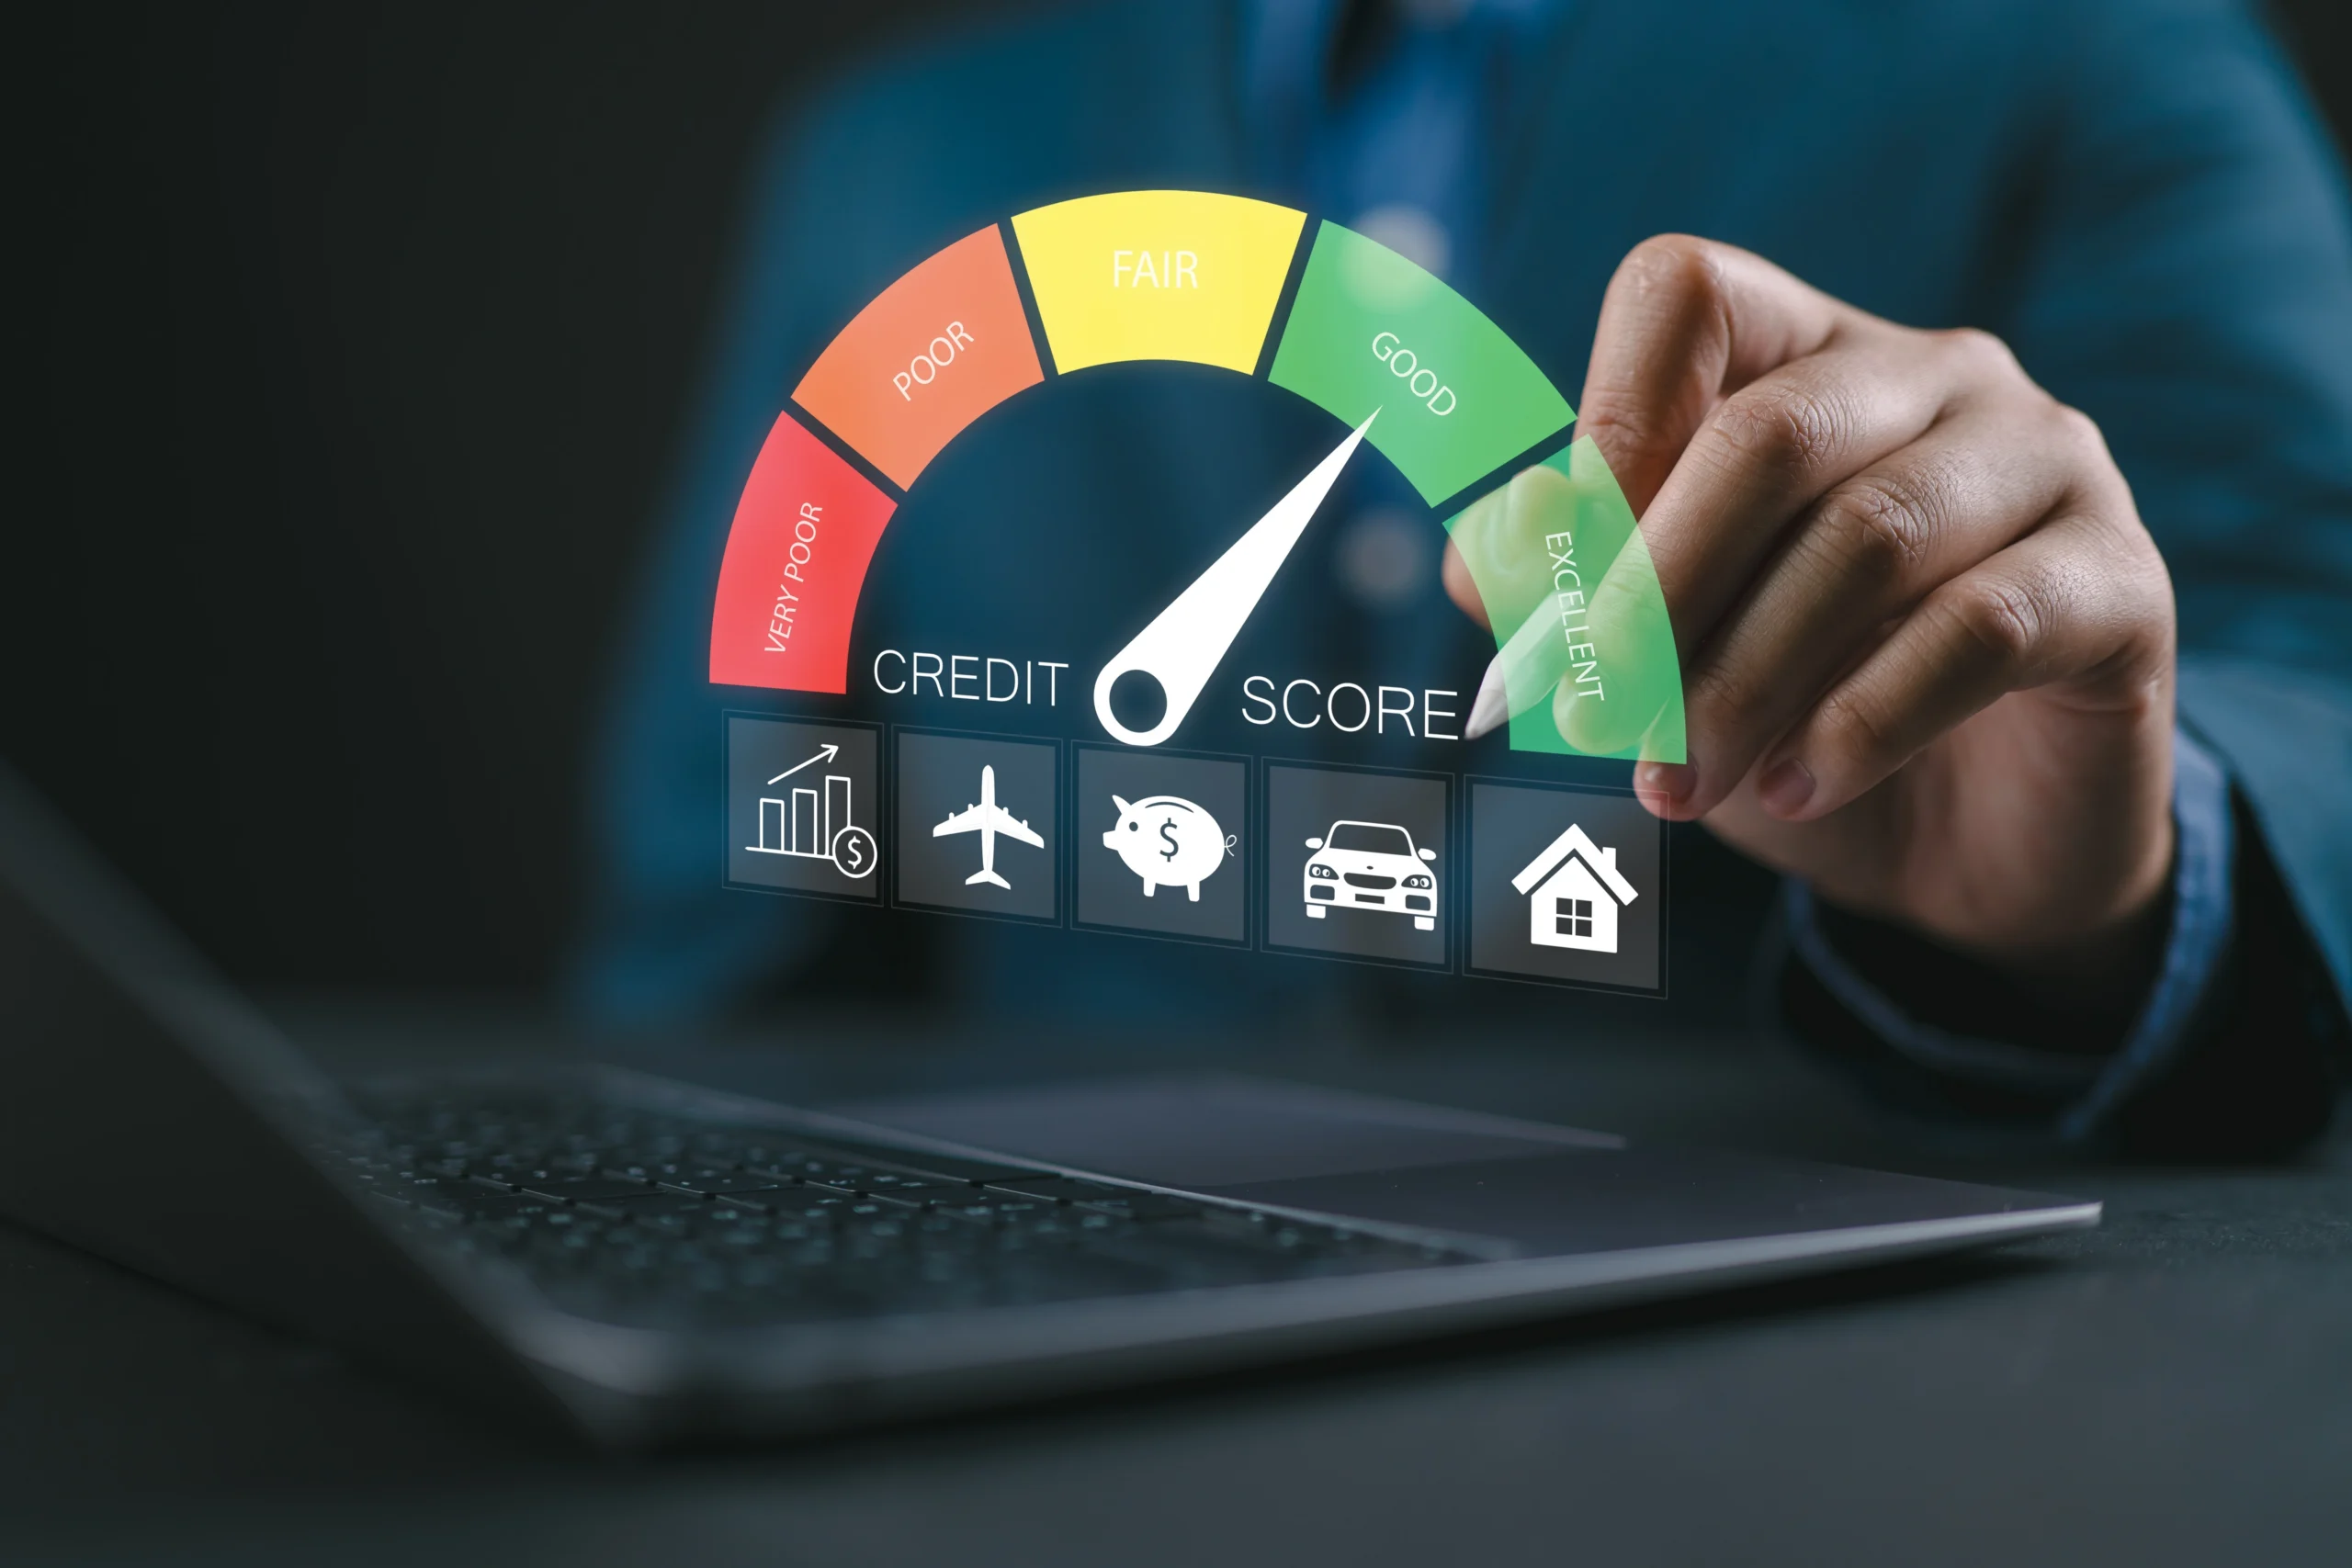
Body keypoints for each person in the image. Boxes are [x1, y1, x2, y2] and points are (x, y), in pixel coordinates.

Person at [578, 0, 2351, 1155]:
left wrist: (2118, 887)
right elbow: (730, 915)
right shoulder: (898, 158)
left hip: (1773, 1371)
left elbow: (2314, 693)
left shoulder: (2104, 65)